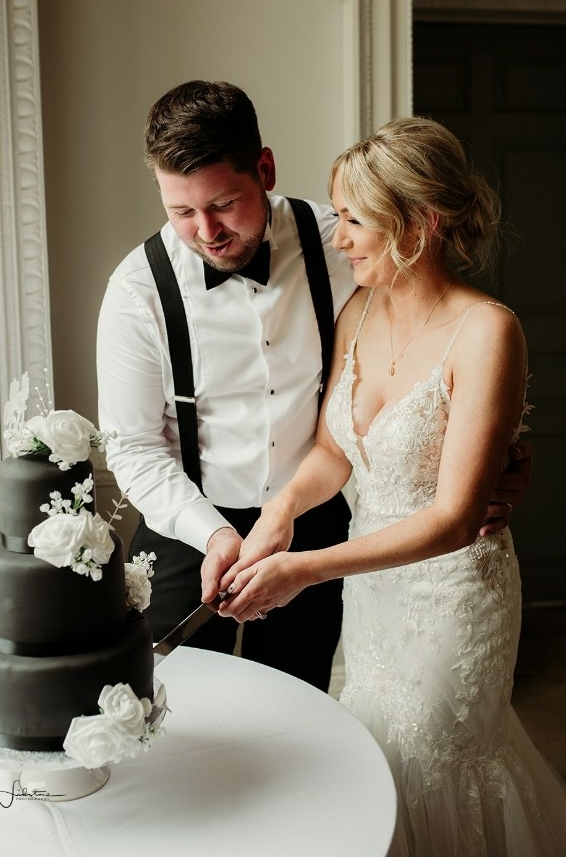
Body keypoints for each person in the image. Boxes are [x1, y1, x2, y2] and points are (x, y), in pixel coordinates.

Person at [97, 81, 528, 693]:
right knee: (168, 710)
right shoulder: (136, 292)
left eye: (224, 203)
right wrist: (216, 532)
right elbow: (134, 446)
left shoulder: (343, 240)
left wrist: (504, 455)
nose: (207, 231)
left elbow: (438, 343)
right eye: (181, 212)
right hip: (188, 527)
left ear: (265, 169)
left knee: (300, 713)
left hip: (318, 526)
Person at [213, 117, 566, 855]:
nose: (339, 238)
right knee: (379, 759)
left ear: (423, 222)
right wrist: (281, 512)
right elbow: (334, 455)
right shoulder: (359, 312)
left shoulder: (488, 332)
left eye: (354, 220)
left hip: (454, 599)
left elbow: (455, 515)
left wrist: (303, 570)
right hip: (372, 593)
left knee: (440, 764)